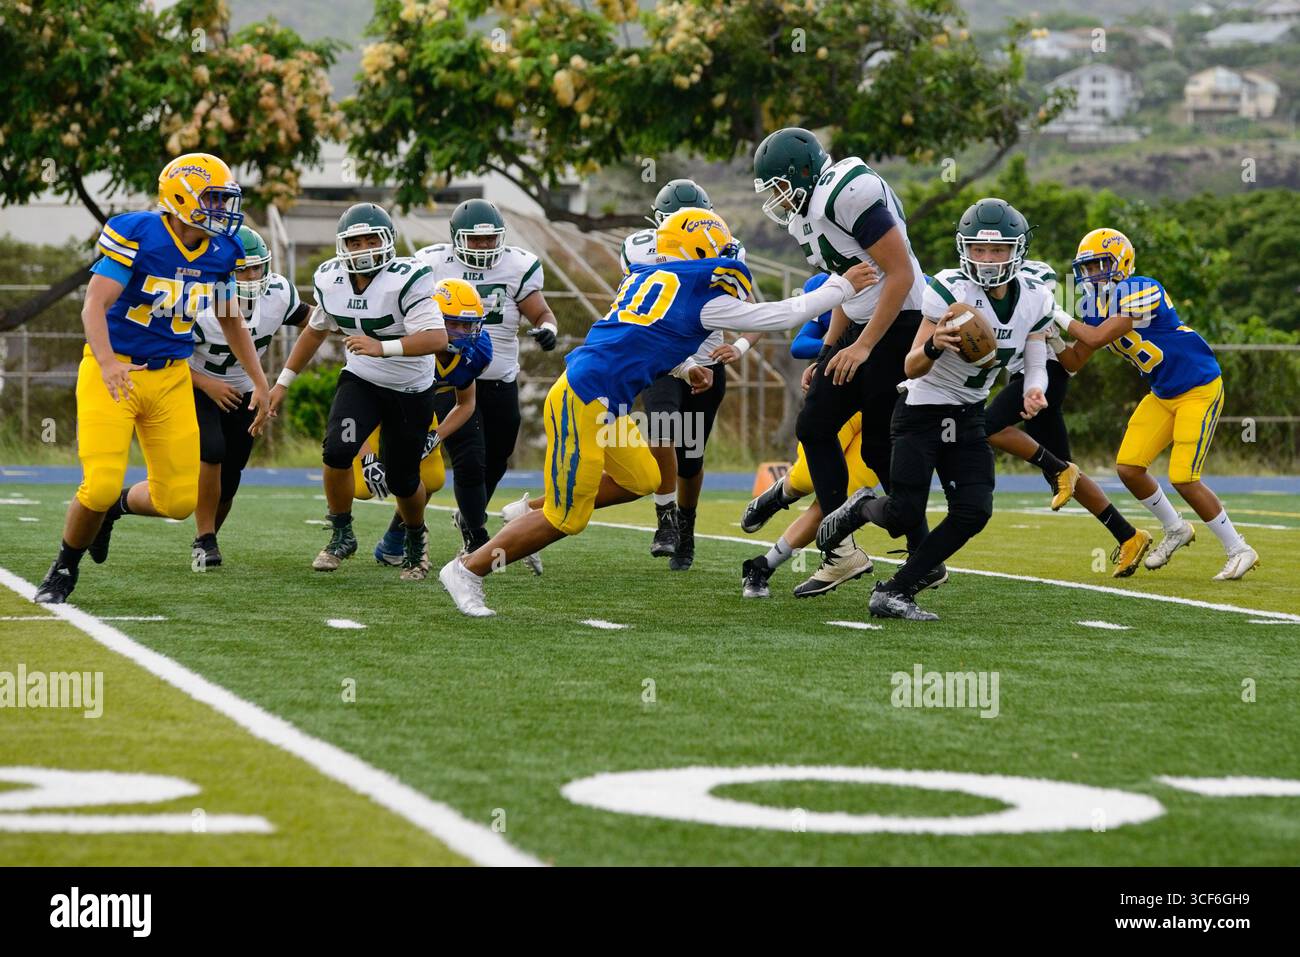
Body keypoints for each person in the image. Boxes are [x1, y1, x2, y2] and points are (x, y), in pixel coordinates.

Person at [439, 208, 876, 616]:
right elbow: (781, 313)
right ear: (702, 249)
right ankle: (467, 570)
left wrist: (685, 368)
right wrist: (842, 286)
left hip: (603, 400)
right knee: (566, 518)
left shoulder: (646, 279)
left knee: (644, 479)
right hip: (583, 399)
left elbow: (639, 339)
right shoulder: (701, 296)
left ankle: (521, 518)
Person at [35, 153, 269, 604]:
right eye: (213, 199)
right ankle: (64, 567)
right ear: (180, 195)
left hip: (171, 379)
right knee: (97, 483)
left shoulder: (223, 251)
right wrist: (107, 363)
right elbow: (93, 306)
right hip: (115, 371)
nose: (222, 210)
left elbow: (231, 318)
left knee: (178, 502)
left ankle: (113, 511)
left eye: (224, 200)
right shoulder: (139, 233)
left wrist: (259, 381)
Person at [817, 198, 1055, 620]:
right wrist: (933, 345)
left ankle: (897, 591)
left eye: (997, 249)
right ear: (964, 248)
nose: (987, 259)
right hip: (922, 410)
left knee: (974, 511)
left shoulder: (1036, 298)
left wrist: (1034, 390)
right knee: (903, 513)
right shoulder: (949, 289)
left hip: (968, 414)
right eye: (978, 249)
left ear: (1017, 250)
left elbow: (1035, 360)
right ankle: (860, 508)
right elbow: (911, 365)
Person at [753, 127, 940, 589]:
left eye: (779, 187)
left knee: (867, 443)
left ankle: (903, 553)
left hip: (898, 323)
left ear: (803, 174)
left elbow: (900, 275)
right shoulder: (808, 215)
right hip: (864, 326)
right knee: (826, 430)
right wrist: (831, 348)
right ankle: (861, 551)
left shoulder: (844, 194)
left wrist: (863, 346)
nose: (777, 199)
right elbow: (845, 285)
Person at [1053, 227, 1258, 581]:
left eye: (1101, 264)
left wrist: (1054, 311)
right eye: (1087, 268)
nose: (1093, 274)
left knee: (1183, 477)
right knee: (1129, 467)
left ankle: (1239, 548)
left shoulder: (1141, 287)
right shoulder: (1093, 306)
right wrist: (1048, 335)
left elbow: (1099, 337)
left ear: (1123, 263)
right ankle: (1176, 528)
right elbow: (1074, 360)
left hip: (1198, 386)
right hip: (1163, 393)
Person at [267, 203, 446, 579]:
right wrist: (282, 382)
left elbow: (436, 337)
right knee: (337, 451)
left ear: (387, 241)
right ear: (341, 246)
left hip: (410, 387)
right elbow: (315, 330)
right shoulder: (330, 278)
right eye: (354, 242)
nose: (363, 248)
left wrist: (383, 346)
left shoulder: (408, 277)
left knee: (402, 478)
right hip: (362, 379)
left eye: (371, 240)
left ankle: (415, 538)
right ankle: (341, 533)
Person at [621, 178, 759, 571]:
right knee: (661, 432)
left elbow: (754, 314)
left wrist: (740, 346)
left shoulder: (728, 250)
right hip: (663, 361)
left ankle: (687, 526)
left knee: (691, 460)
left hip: (708, 367)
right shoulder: (639, 250)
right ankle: (666, 521)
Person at [414, 199, 557, 570]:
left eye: (490, 239)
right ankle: (477, 537)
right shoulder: (431, 263)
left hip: (499, 377)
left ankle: (457, 519)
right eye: (475, 241)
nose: (483, 247)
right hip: (451, 375)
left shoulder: (517, 265)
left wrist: (547, 329)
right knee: (470, 459)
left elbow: (540, 310)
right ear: (455, 238)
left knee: (497, 455)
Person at [740, 272, 880, 599]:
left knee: (840, 499)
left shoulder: (912, 285)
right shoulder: (832, 279)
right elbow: (800, 343)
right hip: (840, 397)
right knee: (806, 479)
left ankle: (765, 564)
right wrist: (845, 348)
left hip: (882, 405)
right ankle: (779, 494)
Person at [189, 225, 310, 567]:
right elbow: (168, 359)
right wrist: (206, 384)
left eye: (256, 267)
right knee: (211, 451)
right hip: (198, 383)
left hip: (246, 389)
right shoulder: (200, 300)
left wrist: (351, 321)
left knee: (232, 474)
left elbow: (312, 321)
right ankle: (204, 539)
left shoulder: (278, 293)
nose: (250, 275)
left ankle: (208, 537)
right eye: (241, 268)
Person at [367, 279, 494, 575]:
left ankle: (395, 540)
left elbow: (466, 403)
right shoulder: (406, 341)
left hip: (421, 408)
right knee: (365, 486)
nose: (465, 333)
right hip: (380, 408)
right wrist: (366, 455)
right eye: (456, 324)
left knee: (431, 479)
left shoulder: (476, 352)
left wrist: (435, 437)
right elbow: (360, 398)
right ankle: (340, 530)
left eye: (470, 325)